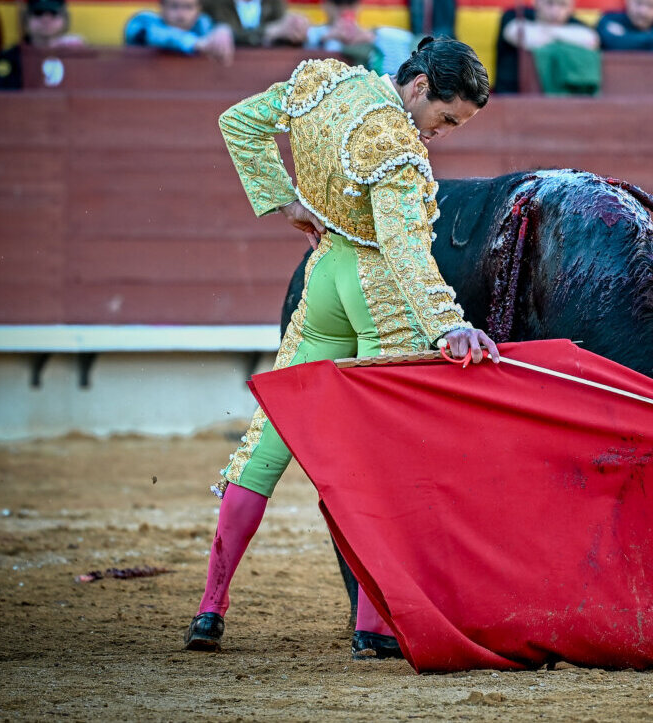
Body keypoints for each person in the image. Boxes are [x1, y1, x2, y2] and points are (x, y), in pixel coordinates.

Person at [184, 37, 499, 659]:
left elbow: (239, 121)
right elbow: (407, 251)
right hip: (377, 291)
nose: (444, 133)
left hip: (322, 277)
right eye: (446, 118)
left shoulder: (323, 82)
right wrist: (447, 325)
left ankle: (210, 609)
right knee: (387, 457)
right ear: (418, 89)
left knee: (266, 442)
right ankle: (375, 625)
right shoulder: (398, 149)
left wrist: (285, 201)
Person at [494, 0, 599, 93]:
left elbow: (591, 40)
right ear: (536, 2)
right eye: (549, 3)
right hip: (511, 96)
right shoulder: (514, 15)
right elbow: (519, 36)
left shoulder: (577, 23)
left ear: (571, 6)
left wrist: (547, 32)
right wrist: (564, 36)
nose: (555, 11)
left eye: (562, 5)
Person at [0, 0, 86, 89]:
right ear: (26, 19)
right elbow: (4, 98)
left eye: (53, 13)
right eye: (38, 13)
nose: (46, 19)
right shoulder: (9, 58)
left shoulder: (78, 56)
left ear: (65, 19)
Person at [304, 0, 415, 75]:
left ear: (358, 5)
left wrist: (373, 38)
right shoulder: (314, 33)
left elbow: (408, 40)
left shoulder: (377, 33)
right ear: (325, 5)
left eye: (350, 2)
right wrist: (327, 37)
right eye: (338, 3)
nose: (345, 9)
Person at [124, 0, 235, 66]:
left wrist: (223, 29)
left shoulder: (202, 23)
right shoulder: (142, 21)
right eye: (174, 6)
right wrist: (197, 43)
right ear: (162, 7)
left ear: (198, 9)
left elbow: (217, 33)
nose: (181, 15)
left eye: (188, 7)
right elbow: (161, 35)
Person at [200, 0, 310, 47]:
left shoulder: (274, 2)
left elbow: (284, 32)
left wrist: (296, 28)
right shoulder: (213, 3)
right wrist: (270, 31)